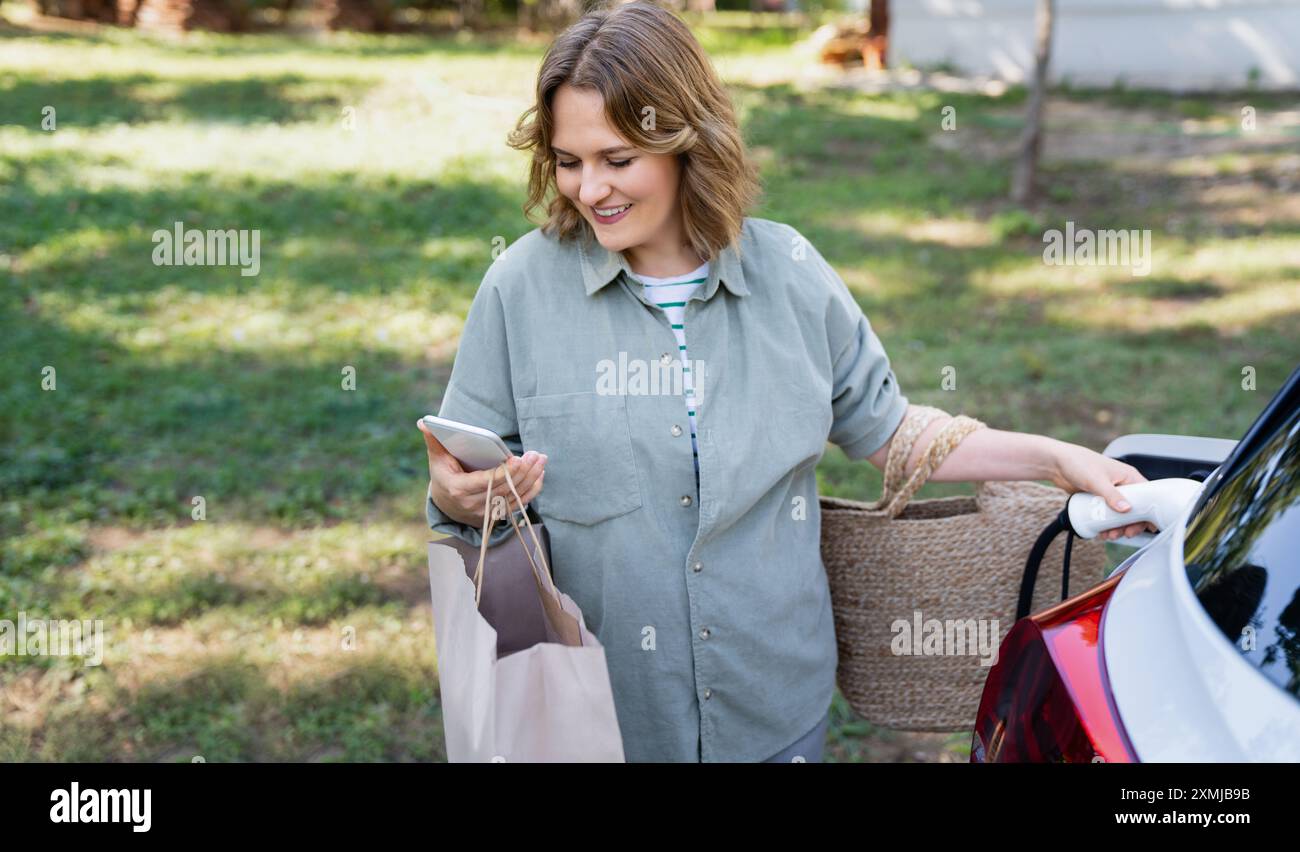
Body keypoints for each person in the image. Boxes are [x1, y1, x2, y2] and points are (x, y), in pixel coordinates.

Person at [418, 0, 1154, 762]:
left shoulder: (791, 275)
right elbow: (464, 479)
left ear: (683, 140)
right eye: (569, 162)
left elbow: (890, 430)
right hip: (597, 719)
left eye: (617, 159)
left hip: (774, 714)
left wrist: (1058, 461)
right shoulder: (519, 289)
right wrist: (453, 497)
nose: (589, 189)